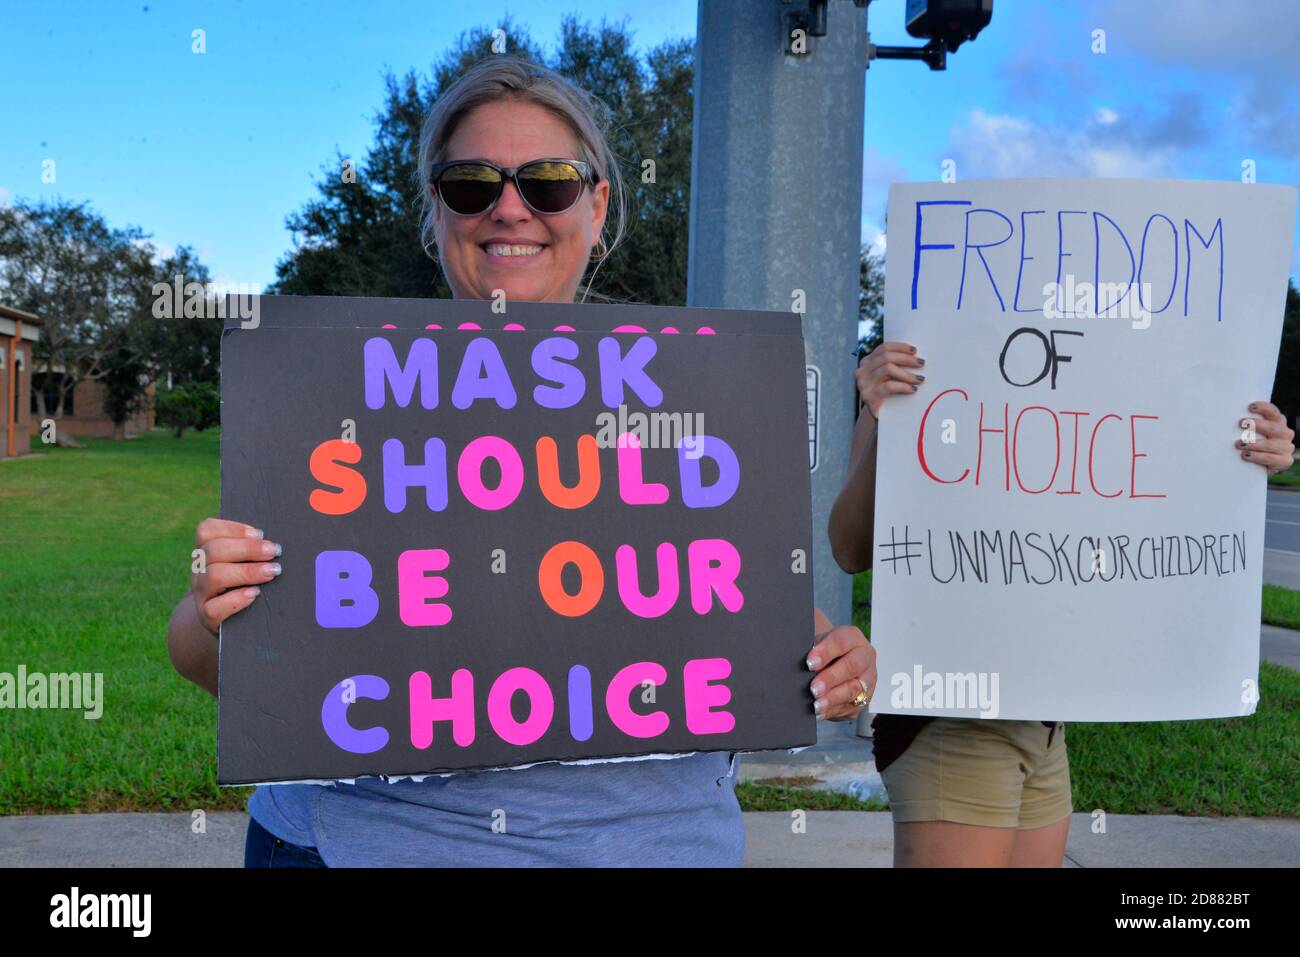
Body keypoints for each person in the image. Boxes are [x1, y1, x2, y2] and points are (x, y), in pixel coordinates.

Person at [166, 56, 877, 868]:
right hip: (362, 846)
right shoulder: (335, 388)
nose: (510, 209)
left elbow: (740, 610)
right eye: (471, 183)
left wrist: (838, 663)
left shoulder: (691, 398)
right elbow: (207, 657)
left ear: (597, 204)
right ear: (436, 211)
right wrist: (212, 602)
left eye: (549, 182)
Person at [828, 339, 1296, 867]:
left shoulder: (1110, 369)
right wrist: (886, 420)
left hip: (1047, 721)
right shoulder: (915, 355)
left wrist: (1252, 455)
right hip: (952, 719)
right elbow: (848, 548)